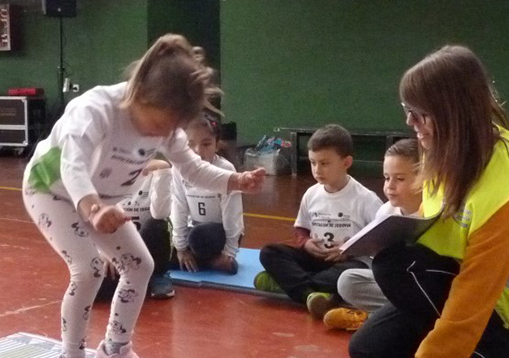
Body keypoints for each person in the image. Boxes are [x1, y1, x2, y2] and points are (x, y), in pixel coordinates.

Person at [22, 33, 265, 358]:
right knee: (87, 269)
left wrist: (235, 181)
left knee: (141, 264)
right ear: (139, 94)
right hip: (52, 191)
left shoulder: (165, 125)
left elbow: (191, 168)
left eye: (169, 128)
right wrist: (93, 210)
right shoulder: (96, 109)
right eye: (157, 124)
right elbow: (72, 164)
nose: (160, 135)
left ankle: (115, 350)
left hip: (101, 201)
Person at [349, 46, 509, 358]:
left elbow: (473, 294)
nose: (409, 123)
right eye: (407, 111)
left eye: (419, 114)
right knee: (369, 352)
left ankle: (501, 356)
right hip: (453, 271)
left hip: (507, 295)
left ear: (452, 114)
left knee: (398, 267)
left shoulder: (506, 192)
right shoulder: (449, 147)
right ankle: (453, 347)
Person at [255, 123, 381, 318]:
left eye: (324, 163)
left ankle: (291, 285)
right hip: (317, 260)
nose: (317, 170)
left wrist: (349, 250)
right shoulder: (311, 194)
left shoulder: (366, 199)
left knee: (347, 277)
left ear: (346, 163)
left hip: (348, 263)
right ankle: (314, 294)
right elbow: (301, 228)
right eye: (313, 162)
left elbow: (379, 241)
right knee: (269, 252)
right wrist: (305, 244)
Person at [323, 138, 422, 331]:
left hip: (425, 286)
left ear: (423, 179)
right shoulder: (385, 213)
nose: (390, 186)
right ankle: (389, 316)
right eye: (386, 178)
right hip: (398, 286)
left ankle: (376, 319)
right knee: (348, 280)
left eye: (400, 179)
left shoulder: (434, 210)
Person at [171, 115, 244, 274]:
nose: (198, 151)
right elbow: (178, 207)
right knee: (158, 250)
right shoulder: (179, 168)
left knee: (199, 236)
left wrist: (229, 251)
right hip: (193, 229)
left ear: (217, 145)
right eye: (190, 145)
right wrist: (181, 248)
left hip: (217, 234)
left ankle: (220, 260)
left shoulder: (226, 169)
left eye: (206, 144)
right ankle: (210, 262)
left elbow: (233, 214)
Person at [96, 159, 176, 301]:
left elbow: (161, 213)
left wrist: (162, 171)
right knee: (98, 293)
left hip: (150, 244)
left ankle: (158, 275)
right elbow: (96, 218)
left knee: (157, 224)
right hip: (119, 248)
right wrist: (104, 251)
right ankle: (136, 279)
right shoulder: (105, 175)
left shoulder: (157, 173)